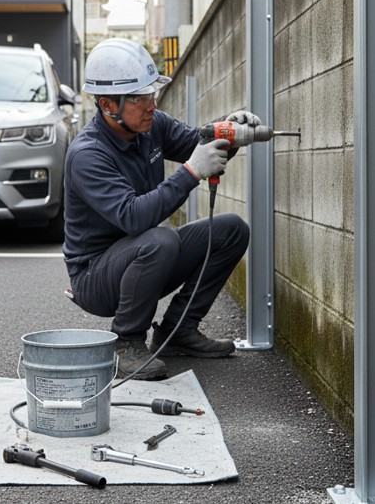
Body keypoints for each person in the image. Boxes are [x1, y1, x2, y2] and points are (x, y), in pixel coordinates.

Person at [62, 38, 259, 380]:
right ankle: (126, 344)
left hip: (142, 256)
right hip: (96, 277)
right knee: (160, 239)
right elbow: (134, 217)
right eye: (140, 98)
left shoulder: (152, 126)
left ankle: (178, 331)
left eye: (152, 94)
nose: (152, 104)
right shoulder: (87, 155)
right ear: (108, 104)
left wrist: (227, 131)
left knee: (231, 229)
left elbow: (198, 146)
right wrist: (191, 172)